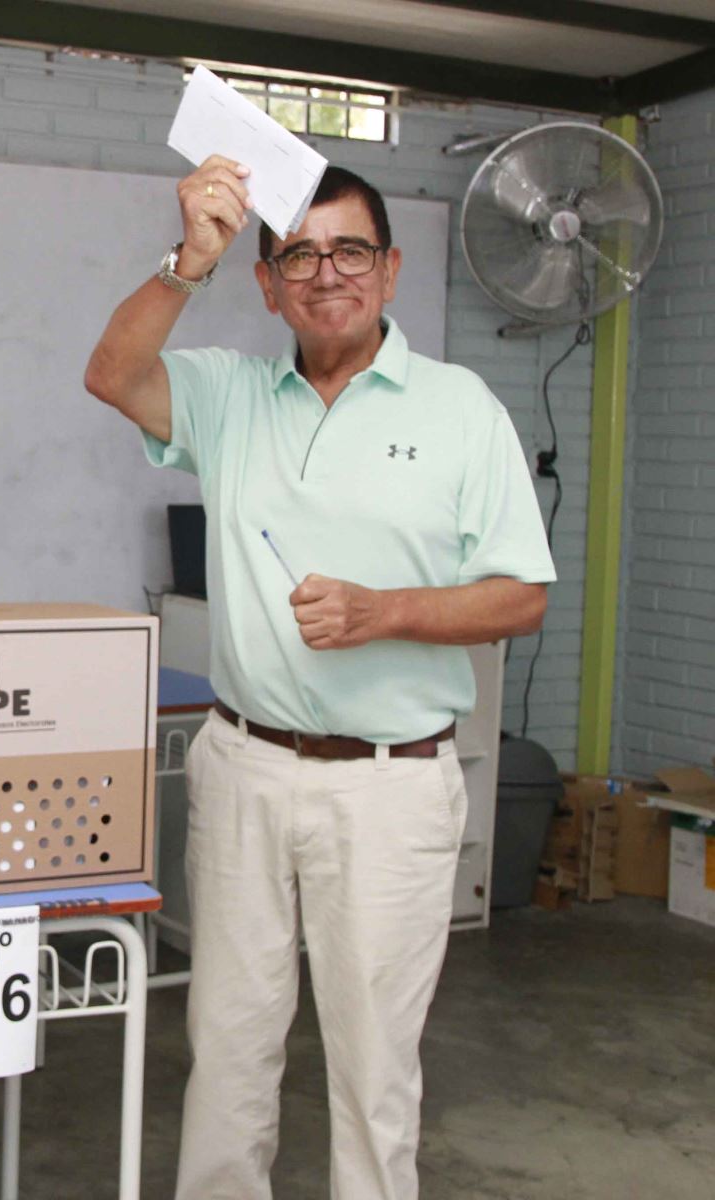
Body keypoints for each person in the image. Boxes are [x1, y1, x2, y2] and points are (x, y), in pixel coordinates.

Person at [83, 162, 555, 1200]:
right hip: (245, 765)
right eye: (299, 254)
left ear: (389, 270)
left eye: (350, 250)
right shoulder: (229, 396)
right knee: (228, 1047)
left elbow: (522, 596)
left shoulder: (461, 409)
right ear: (267, 284)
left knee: (375, 1067)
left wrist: (385, 612)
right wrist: (187, 260)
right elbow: (112, 374)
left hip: (391, 784)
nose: (326, 272)